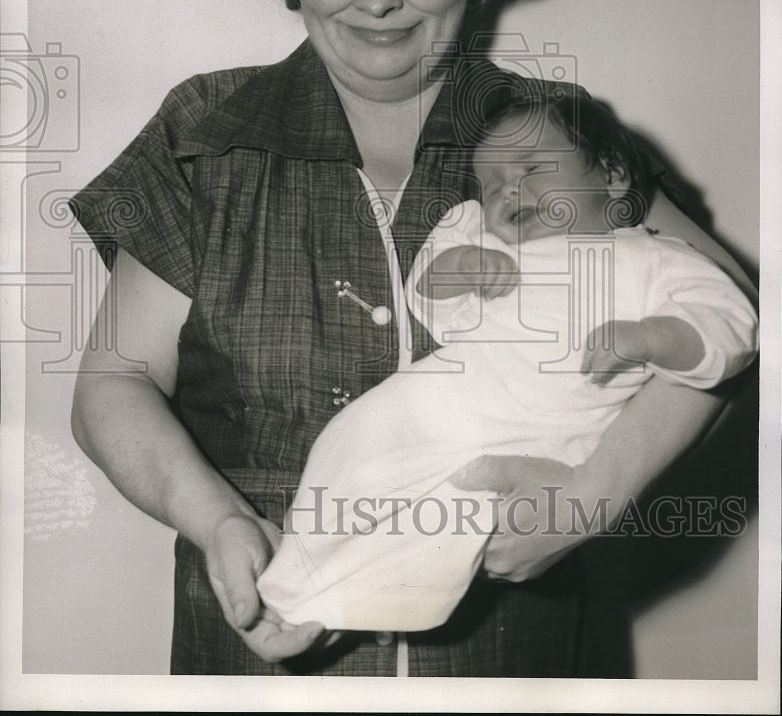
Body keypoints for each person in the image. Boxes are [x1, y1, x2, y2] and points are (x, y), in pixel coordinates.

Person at [69, 0, 757, 677]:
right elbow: (112, 386)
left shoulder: (556, 139)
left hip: (507, 660)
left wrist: (595, 495)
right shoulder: (208, 132)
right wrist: (217, 518)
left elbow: (733, 315)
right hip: (256, 653)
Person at [256, 94, 759, 632]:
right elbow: (429, 299)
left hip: (542, 439)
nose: (508, 190)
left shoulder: (657, 262)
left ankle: (336, 607)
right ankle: (298, 579)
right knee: (349, 444)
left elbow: (731, 325)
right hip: (444, 404)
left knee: (452, 519)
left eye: (532, 169)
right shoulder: (485, 240)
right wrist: (460, 267)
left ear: (612, 177)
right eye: (491, 184)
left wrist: (654, 336)